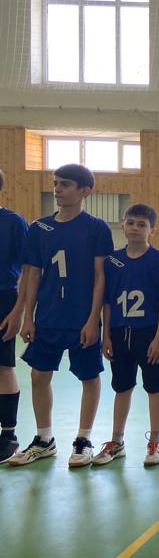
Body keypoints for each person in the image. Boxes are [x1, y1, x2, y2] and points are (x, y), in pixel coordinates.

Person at [9, 164, 113, 467]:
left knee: (89, 376)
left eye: (65, 184)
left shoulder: (97, 228)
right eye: (56, 183)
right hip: (48, 317)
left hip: (81, 318)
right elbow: (32, 274)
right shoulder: (39, 228)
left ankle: (83, 440)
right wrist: (29, 317)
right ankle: (44, 439)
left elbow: (100, 277)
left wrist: (93, 319)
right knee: (38, 375)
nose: (57, 189)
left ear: (85, 191)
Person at [93, 204, 159, 467]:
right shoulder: (112, 261)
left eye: (142, 224)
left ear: (152, 230)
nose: (135, 228)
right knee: (122, 387)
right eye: (131, 223)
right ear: (123, 226)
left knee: (154, 387)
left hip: (148, 333)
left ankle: (156, 441)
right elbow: (107, 301)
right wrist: (106, 336)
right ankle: (116, 441)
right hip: (119, 332)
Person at [0, 168, 29, 463]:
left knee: (3, 365)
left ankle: (8, 434)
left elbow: (29, 269)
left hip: (3, 298)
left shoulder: (13, 223)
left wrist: (19, 310)